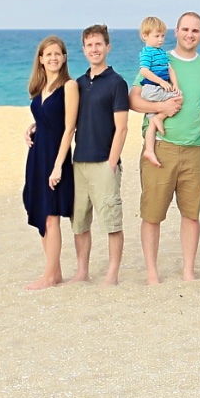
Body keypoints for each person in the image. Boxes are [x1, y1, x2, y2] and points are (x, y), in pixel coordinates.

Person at [129, 12, 200, 285]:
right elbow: (133, 98)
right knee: (152, 214)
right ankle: (152, 273)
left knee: (191, 215)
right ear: (176, 32)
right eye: (185, 29)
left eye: (196, 30)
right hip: (161, 148)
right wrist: (159, 107)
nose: (190, 34)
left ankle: (188, 271)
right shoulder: (159, 58)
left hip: (195, 150)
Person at [70, 24, 129, 287]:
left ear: (107, 47)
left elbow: (122, 127)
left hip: (104, 163)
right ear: (83, 50)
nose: (94, 49)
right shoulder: (78, 84)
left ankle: (112, 274)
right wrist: (34, 126)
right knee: (79, 222)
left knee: (111, 222)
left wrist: (112, 163)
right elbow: (66, 120)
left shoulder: (117, 83)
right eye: (89, 45)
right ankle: (82, 272)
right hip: (78, 163)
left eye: (98, 44)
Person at [22, 36, 79, 290]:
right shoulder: (40, 87)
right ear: (41, 59)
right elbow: (46, 117)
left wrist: (58, 166)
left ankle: (49, 276)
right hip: (36, 157)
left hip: (56, 157)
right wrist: (32, 127)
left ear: (64, 58)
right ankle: (54, 273)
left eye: (58, 54)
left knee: (51, 217)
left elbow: (69, 128)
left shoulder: (69, 86)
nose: (53, 58)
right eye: (49, 54)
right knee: (41, 213)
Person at [137, 16, 180, 169]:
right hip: (152, 89)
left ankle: (149, 150)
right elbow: (144, 70)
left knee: (151, 123)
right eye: (157, 36)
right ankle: (160, 117)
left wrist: (174, 83)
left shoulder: (161, 52)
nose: (160, 39)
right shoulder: (148, 52)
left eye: (162, 36)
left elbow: (170, 69)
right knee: (178, 98)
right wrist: (162, 82)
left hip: (158, 88)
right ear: (145, 36)